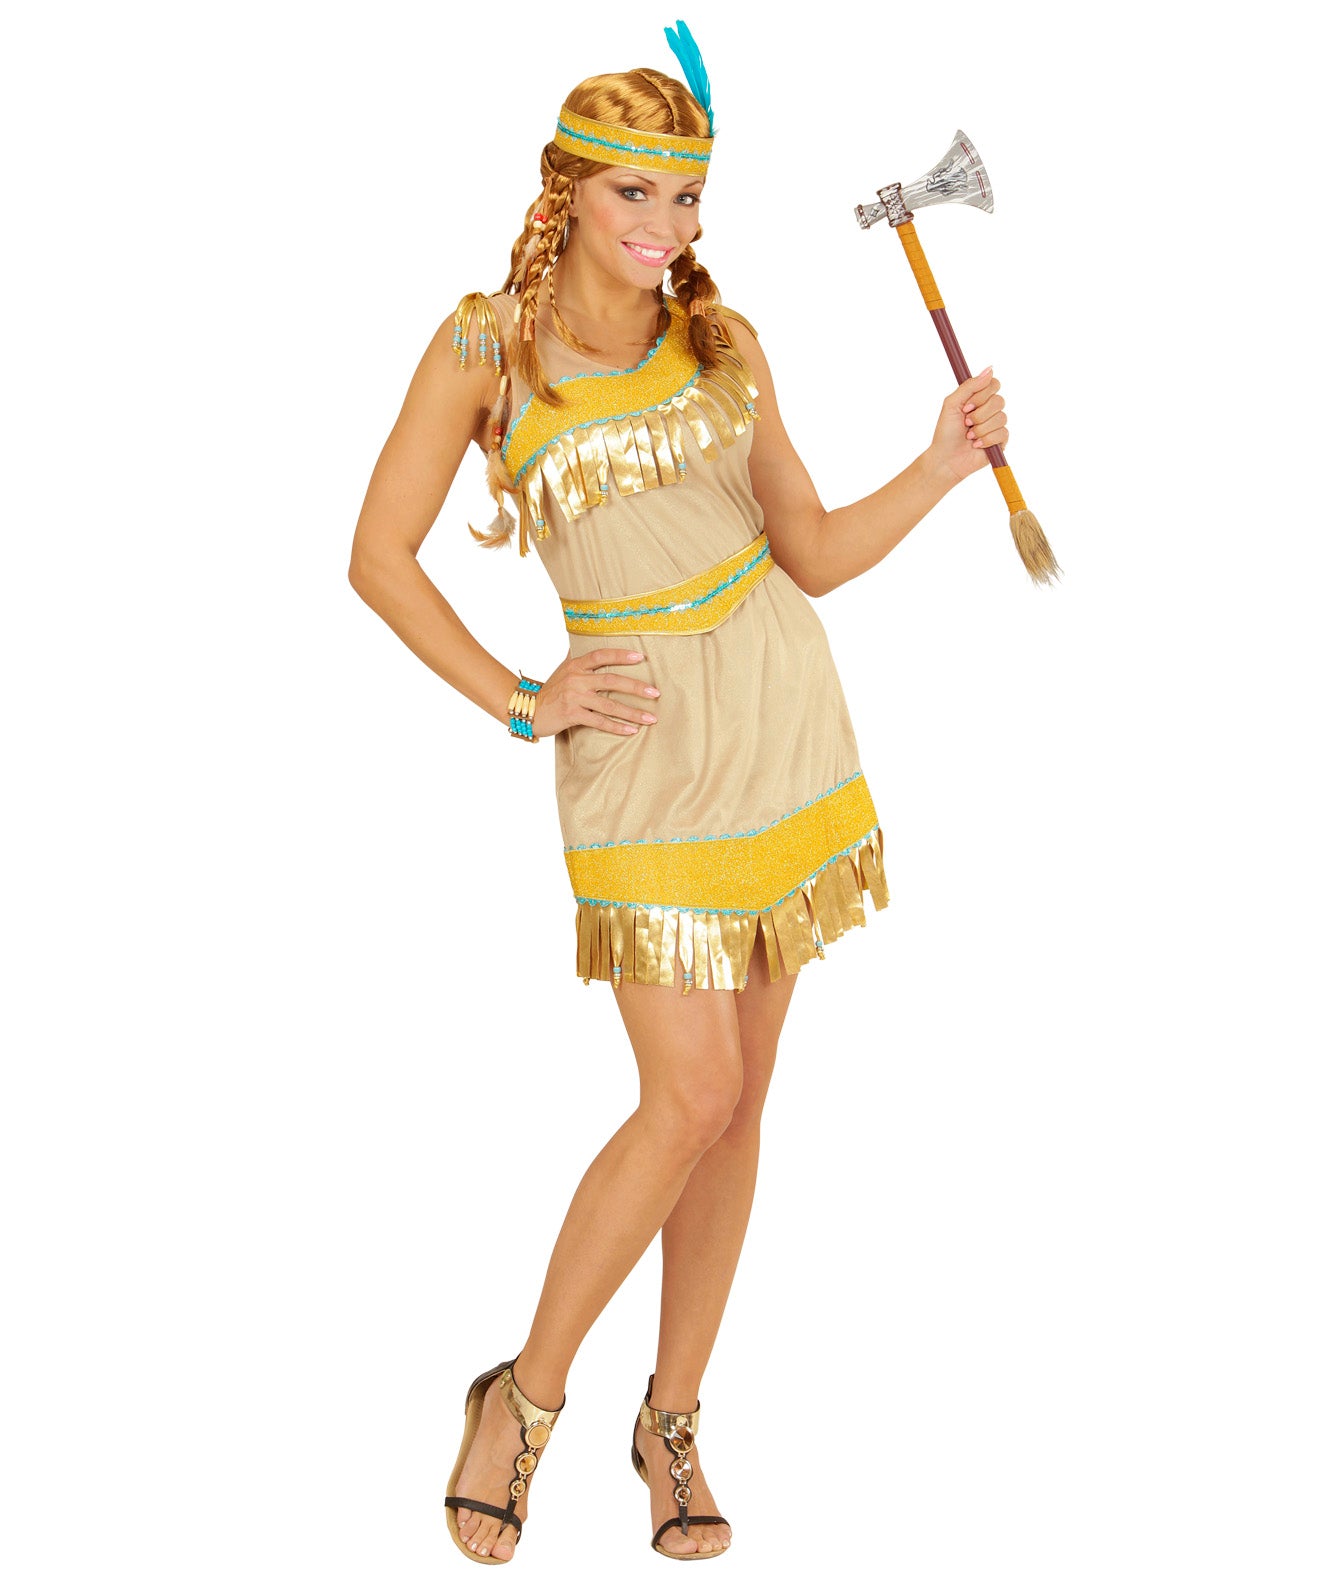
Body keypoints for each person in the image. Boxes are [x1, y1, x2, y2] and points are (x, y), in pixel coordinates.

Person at [347, 23, 1008, 1564]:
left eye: (688, 196)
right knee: (687, 1095)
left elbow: (810, 554)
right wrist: (525, 698)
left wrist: (939, 465)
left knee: (737, 1106)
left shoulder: (723, 341)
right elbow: (377, 558)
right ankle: (521, 1398)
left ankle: (675, 1421)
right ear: (567, 192)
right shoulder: (483, 349)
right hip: (638, 747)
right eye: (634, 192)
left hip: (780, 722)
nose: (665, 225)